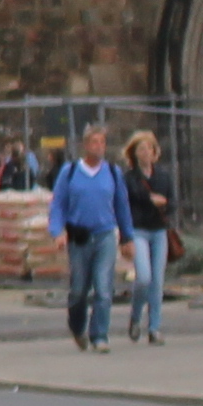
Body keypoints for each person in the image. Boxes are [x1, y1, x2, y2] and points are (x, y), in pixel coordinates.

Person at [51, 123, 128, 350]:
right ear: (85, 145)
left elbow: (122, 206)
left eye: (103, 142)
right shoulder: (71, 171)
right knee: (78, 290)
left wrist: (127, 237)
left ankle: (99, 335)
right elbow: (58, 205)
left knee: (104, 289)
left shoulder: (113, 172)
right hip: (79, 237)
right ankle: (77, 326)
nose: (99, 147)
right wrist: (57, 232)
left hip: (105, 234)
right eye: (95, 142)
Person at [119, 128, 178, 346]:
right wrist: (150, 199)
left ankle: (154, 328)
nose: (145, 152)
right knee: (144, 277)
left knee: (157, 281)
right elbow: (129, 201)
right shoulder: (129, 178)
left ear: (155, 152)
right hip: (138, 229)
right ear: (134, 153)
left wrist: (165, 204)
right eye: (141, 149)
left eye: (149, 148)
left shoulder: (163, 175)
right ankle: (135, 317)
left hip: (159, 230)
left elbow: (172, 202)